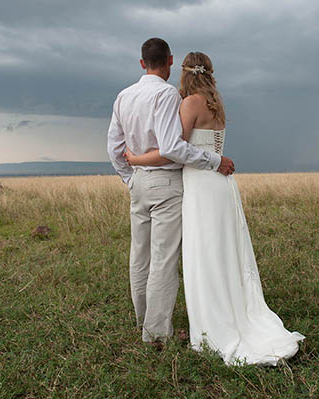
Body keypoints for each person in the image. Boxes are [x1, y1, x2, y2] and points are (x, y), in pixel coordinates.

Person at [125, 51, 304, 365]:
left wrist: (136, 159)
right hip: (221, 185)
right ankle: (232, 310)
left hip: (200, 185)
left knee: (204, 254)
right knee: (224, 252)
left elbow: (172, 151)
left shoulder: (188, 103)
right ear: (209, 72)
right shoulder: (214, 101)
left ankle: (213, 325)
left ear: (182, 72)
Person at [106, 38, 235, 344]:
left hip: (138, 182)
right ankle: (156, 334)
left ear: (142, 63)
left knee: (139, 256)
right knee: (163, 259)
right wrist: (214, 160)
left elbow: (114, 148)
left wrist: (130, 177)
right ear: (169, 61)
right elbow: (173, 147)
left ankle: (143, 322)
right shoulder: (167, 95)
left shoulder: (124, 95)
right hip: (165, 183)